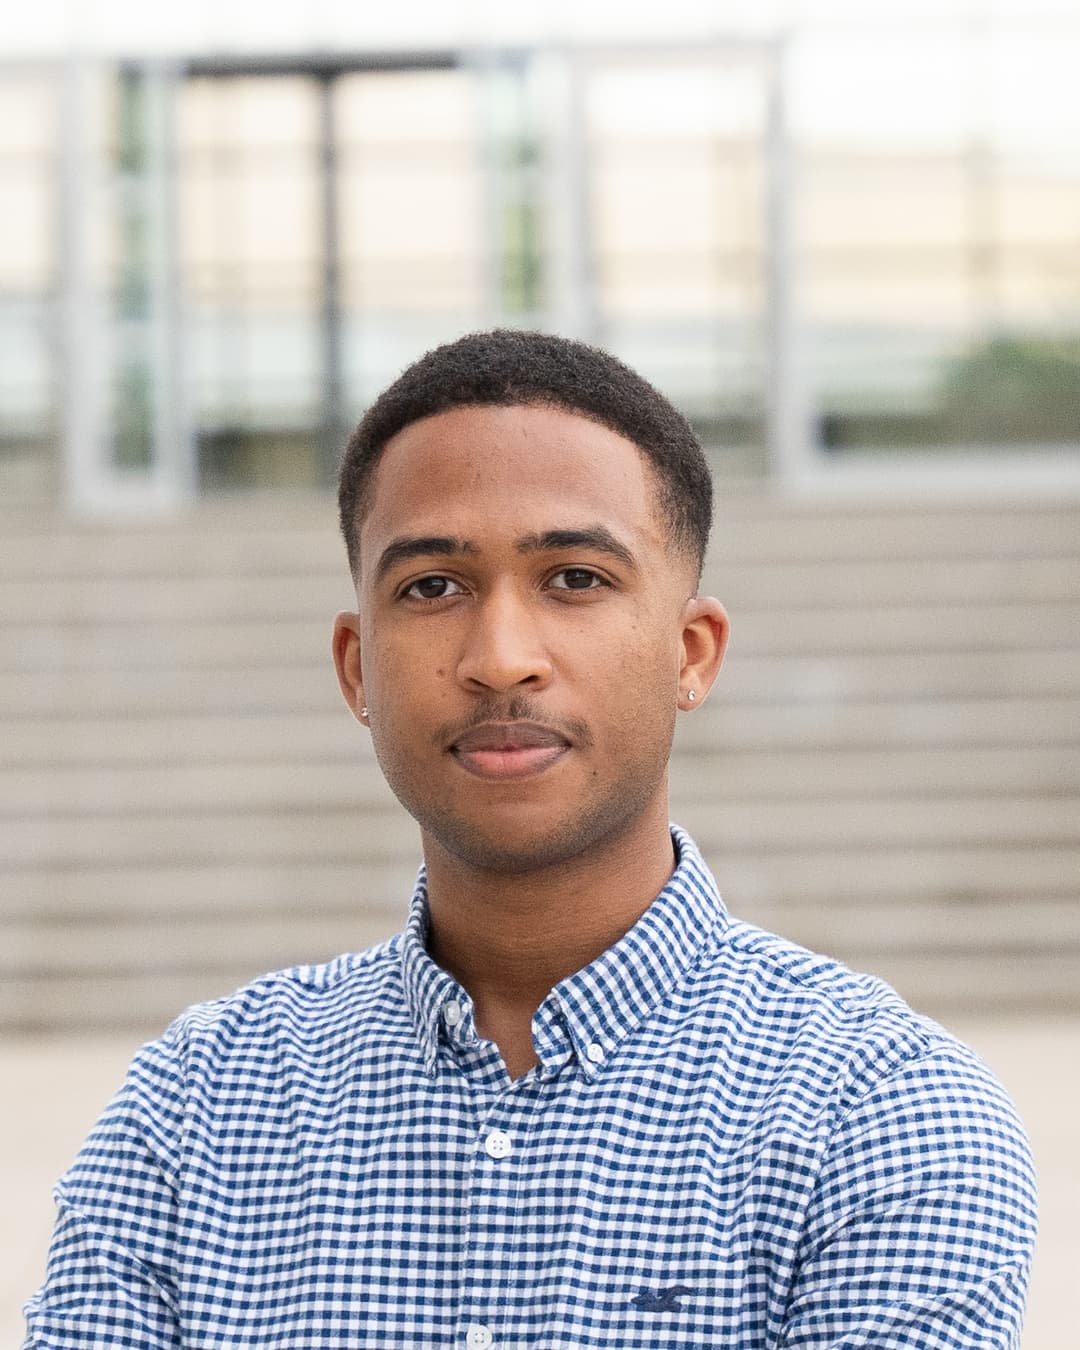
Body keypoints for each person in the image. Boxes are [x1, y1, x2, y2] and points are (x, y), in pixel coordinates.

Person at [24, 330, 1036, 1349]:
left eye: (576, 578)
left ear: (691, 653)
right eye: (431, 587)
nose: (501, 660)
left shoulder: (881, 1118)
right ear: (354, 669)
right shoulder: (195, 1110)